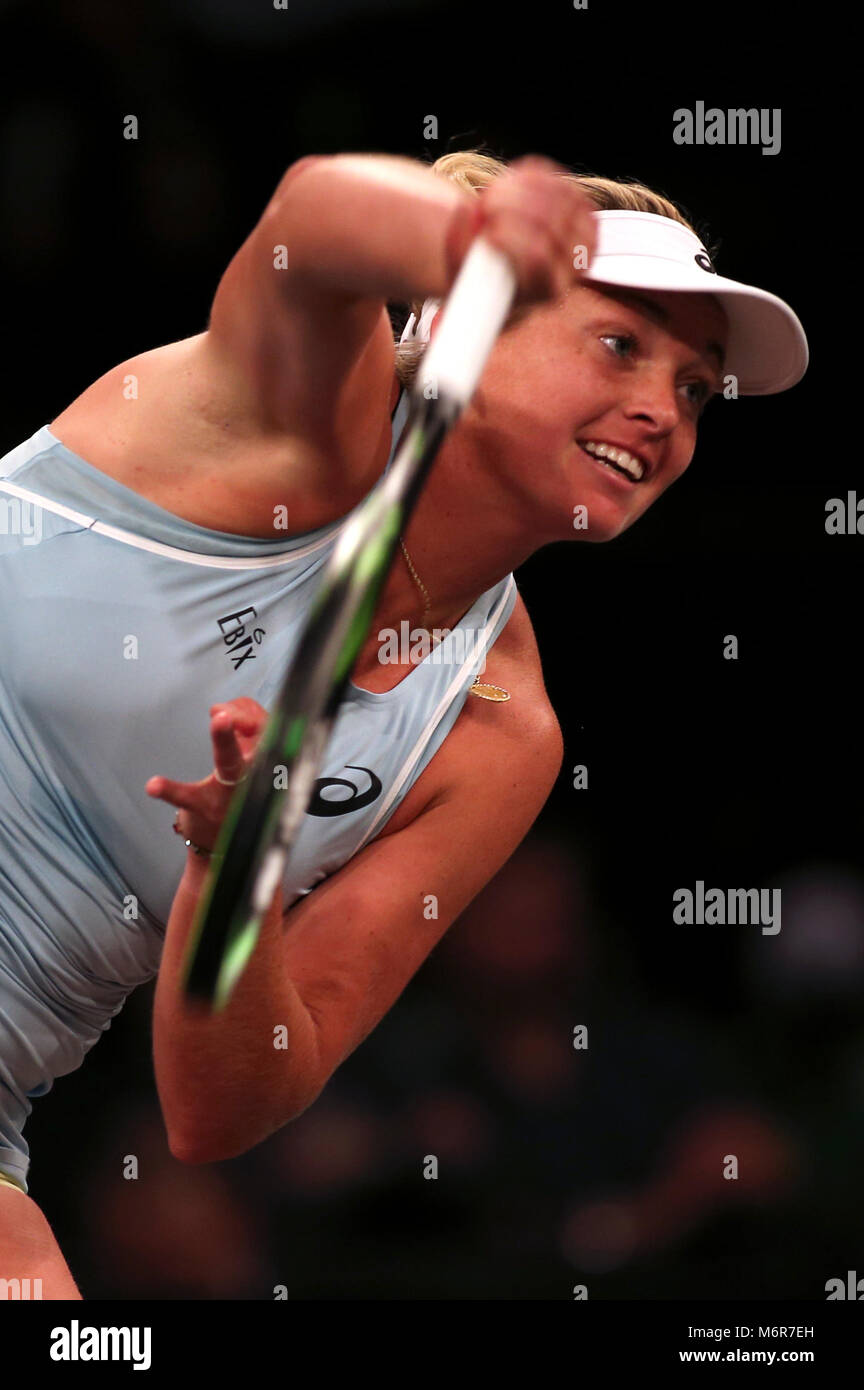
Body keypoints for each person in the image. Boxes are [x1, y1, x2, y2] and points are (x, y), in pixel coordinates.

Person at [0, 149, 807, 1298]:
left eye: (695, 387)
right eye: (622, 344)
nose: (660, 410)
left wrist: (233, 884)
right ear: (469, 325)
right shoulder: (306, 423)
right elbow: (311, 214)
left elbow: (228, 1105)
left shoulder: (500, 732)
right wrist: (456, 235)